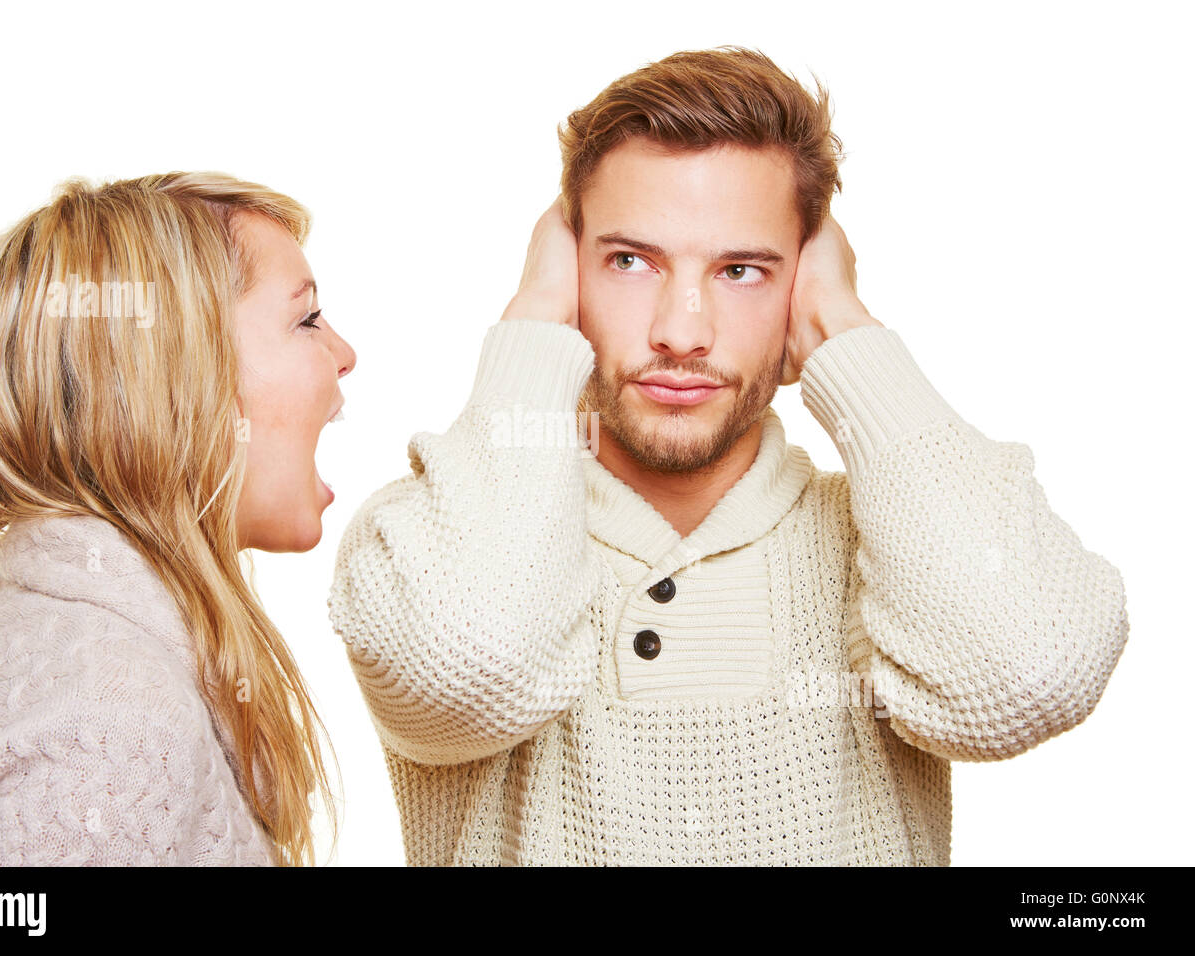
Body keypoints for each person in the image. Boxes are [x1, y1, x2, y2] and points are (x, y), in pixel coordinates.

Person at [328, 46, 1129, 865]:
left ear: (801, 288)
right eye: (630, 262)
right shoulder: (428, 537)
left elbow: (1032, 674)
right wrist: (534, 320)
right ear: (569, 273)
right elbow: (469, 668)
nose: (682, 330)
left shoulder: (894, 545)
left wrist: (844, 333)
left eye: (741, 270)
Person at [0, 172, 356, 865]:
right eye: (306, 319)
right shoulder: (110, 734)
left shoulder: (27, 627)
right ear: (177, 377)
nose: (344, 354)